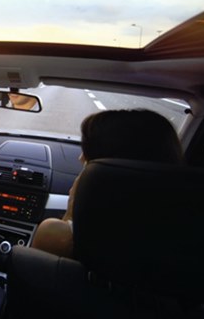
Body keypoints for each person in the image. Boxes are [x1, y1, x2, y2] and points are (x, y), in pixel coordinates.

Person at [31, 108, 184, 258]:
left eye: (88, 154)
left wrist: (73, 211)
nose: (81, 159)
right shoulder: (190, 231)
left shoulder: (60, 236)